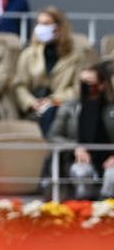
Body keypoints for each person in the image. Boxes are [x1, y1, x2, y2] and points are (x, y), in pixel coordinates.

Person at [14, 7, 93, 135]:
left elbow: (78, 87)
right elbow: (19, 85)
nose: (40, 28)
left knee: (52, 113)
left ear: (59, 27)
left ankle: (51, 152)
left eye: (46, 24)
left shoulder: (77, 55)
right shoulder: (28, 54)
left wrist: (53, 100)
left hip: (63, 106)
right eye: (39, 23)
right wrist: (32, 103)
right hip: (34, 108)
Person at [47, 62, 114, 200]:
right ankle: (84, 210)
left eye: (89, 82)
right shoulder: (69, 107)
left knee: (112, 175)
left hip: (108, 161)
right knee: (82, 173)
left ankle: (107, 212)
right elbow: (53, 136)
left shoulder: (111, 108)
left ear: (102, 85)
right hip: (77, 161)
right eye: (81, 82)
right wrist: (75, 147)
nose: (84, 86)